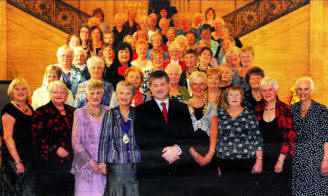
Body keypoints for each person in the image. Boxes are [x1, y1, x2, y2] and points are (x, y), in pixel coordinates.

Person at [134, 70, 193, 196]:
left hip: (178, 171)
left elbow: (189, 137)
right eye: (155, 85)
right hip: (152, 172)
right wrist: (166, 153)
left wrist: (177, 149)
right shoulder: (140, 111)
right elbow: (140, 140)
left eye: (162, 84)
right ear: (150, 88)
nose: (159, 89)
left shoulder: (182, 108)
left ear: (168, 85)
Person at [216, 85, 263, 195]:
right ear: (226, 98)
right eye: (231, 94)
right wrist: (216, 164)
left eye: (238, 94)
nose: (234, 97)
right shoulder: (220, 114)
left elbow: (257, 138)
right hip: (225, 160)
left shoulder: (249, 114)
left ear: (242, 98)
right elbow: (216, 139)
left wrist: (259, 160)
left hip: (246, 160)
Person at [31, 81, 75, 196]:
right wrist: (55, 149)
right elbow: (37, 137)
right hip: (48, 163)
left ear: (66, 95)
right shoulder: (41, 112)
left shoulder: (73, 112)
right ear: (50, 94)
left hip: (69, 162)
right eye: (55, 92)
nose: (59, 95)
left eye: (62, 92)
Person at [98, 81, 141, 196]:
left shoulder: (137, 113)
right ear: (116, 96)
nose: (124, 96)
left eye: (128, 93)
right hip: (115, 164)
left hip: (134, 162)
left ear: (132, 96)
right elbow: (104, 139)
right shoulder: (109, 114)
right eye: (121, 93)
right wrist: (102, 162)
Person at [254, 77, 295, 195]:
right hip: (262, 159)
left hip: (281, 159)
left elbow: (290, 137)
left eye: (270, 90)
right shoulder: (257, 109)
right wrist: (258, 159)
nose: (267, 93)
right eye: (264, 90)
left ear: (276, 91)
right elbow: (254, 137)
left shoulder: (285, 109)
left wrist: (280, 160)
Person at [291, 77, 328, 196]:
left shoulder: (321, 110)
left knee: (316, 191)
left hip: (316, 159)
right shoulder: (292, 109)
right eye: (300, 89)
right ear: (296, 91)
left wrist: (326, 159)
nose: (302, 92)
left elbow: (326, 137)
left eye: (306, 89)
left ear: (311, 90)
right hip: (297, 159)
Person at [71, 80, 108, 196]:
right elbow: (76, 142)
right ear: (86, 95)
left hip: (105, 166)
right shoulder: (79, 113)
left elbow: (114, 139)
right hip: (85, 167)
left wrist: (105, 162)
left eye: (98, 93)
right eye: (92, 93)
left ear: (103, 95)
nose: (95, 96)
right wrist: (91, 162)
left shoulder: (110, 111)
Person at [0, 78, 35, 196]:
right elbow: (7, 137)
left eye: (23, 88)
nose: (20, 91)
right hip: (14, 159)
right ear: (11, 92)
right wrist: (17, 162)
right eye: (17, 89)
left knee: (27, 191)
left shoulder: (30, 108)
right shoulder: (9, 109)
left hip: (28, 158)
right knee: (14, 191)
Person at [186, 71, 219, 195]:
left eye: (201, 84)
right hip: (189, 153)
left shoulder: (212, 105)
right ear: (191, 86)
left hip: (208, 150)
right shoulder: (183, 106)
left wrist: (210, 154)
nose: (198, 87)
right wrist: (194, 155)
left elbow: (214, 129)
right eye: (195, 84)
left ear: (205, 85)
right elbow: (182, 133)